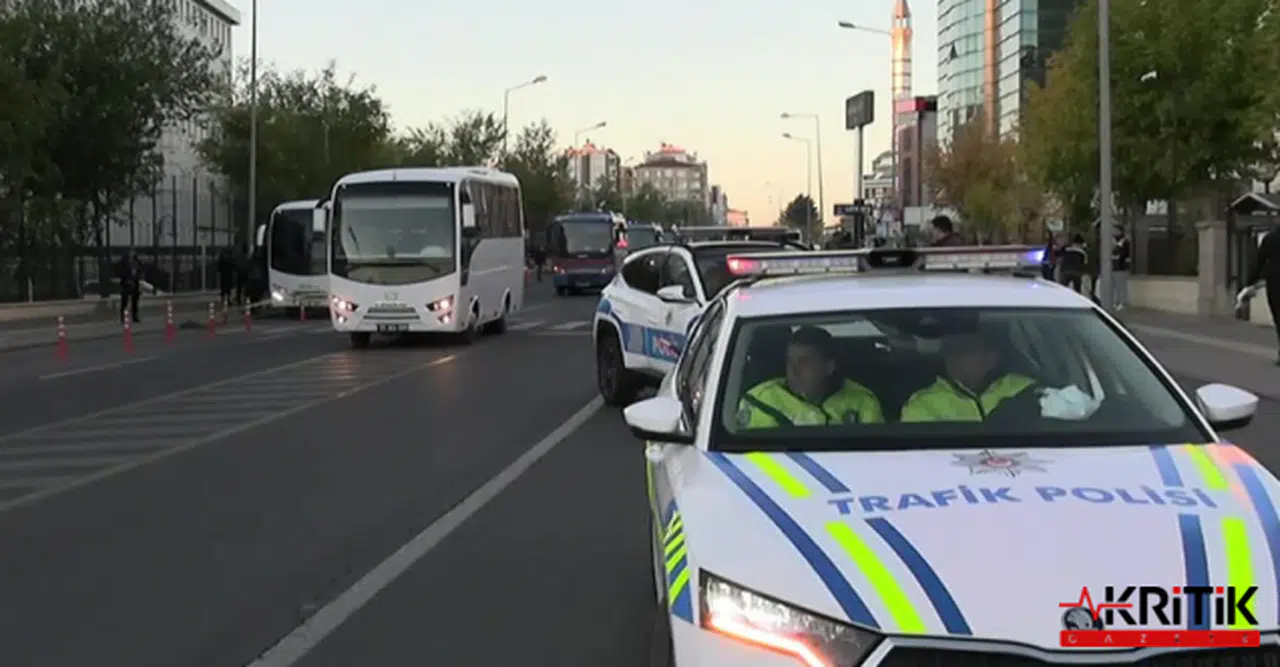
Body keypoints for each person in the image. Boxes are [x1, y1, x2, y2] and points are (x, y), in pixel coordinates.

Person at [737, 326, 884, 428]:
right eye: (790, 361)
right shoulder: (759, 401)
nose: (794, 371)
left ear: (829, 367)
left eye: (804, 363)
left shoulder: (862, 402)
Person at [901, 329, 1039, 422]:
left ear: (991, 357)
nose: (954, 357)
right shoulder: (924, 402)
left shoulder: (1024, 388)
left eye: (964, 350)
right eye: (950, 351)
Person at [1243, 226, 1280, 364]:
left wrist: (1250, 281)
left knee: (1278, 317)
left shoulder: (1270, 238)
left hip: (1276, 283)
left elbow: (1259, 261)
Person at [115, 251, 143, 323]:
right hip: (126, 283)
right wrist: (127, 279)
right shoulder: (123, 263)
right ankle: (123, 317)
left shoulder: (137, 262)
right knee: (125, 301)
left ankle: (135, 316)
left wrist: (138, 277)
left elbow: (140, 270)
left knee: (135, 301)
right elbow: (121, 272)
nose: (132, 255)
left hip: (135, 282)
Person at [1111, 228, 1132, 310]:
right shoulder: (1115, 244)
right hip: (1115, 268)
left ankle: (1122, 303)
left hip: (1121, 268)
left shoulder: (1125, 243)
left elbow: (1122, 255)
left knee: (1121, 286)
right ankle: (1116, 302)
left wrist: (1117, 247)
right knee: (1115, 286)